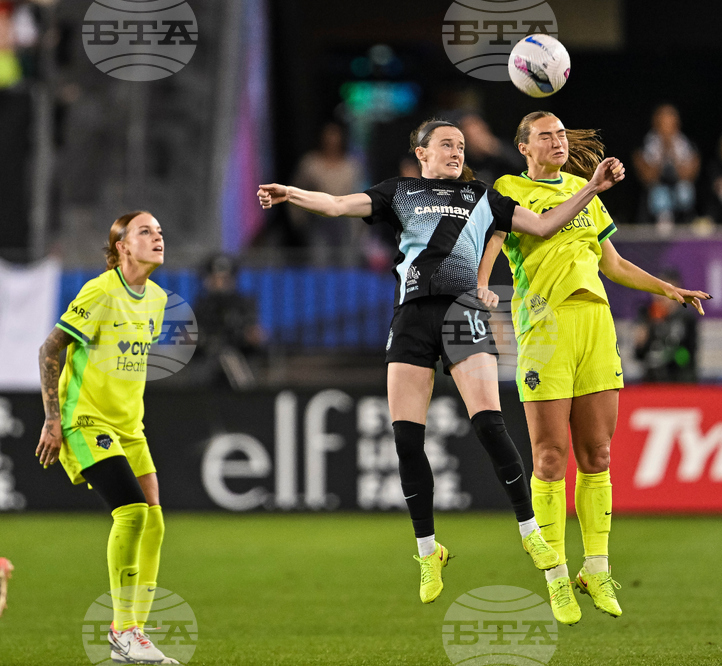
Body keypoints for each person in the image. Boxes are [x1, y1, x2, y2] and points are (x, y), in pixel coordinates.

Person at [257, 118, 626, 604]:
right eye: (446, 145)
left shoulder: (483, 196)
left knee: (491, 425)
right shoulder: (399, 191)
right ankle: (429, 551)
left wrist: (592, 189)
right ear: (422, 154)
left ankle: (531, 531)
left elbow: (543, 223)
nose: (456, 151)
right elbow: (338, 203)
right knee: (407, 441)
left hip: (461, 316)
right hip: (410, 319)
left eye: (460, 145)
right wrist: (293, 193)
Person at [483, 111, 709, 624]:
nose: (558, 141)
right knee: (548, 456)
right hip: (545, 328)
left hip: (596, 326)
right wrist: (592, 188)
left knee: (598, 453)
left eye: (562, 134)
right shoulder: (507, 187)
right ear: (524, 147)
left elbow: (613, 263)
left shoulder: (586, 192)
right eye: (546, 135)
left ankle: (596, 567)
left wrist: (666, 288)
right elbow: (543, 225)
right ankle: (556, 577)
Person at [35, 211, 177, 664]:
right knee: (132, 511)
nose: (157, 237)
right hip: (86, 420)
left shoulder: (156, 299)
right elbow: (50, 348)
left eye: (158, 231)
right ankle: (123, 631)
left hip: (129, 427)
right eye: (145, 231)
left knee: (154, 519)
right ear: (121, 247)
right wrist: (53, 420)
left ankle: (134, 633)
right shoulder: (100, 290)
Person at [289, 122, 364, 259]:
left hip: (345, 222)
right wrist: (299, 221)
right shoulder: (310, 164)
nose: (332, 140)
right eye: (328, 135)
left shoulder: (352, 166)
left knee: (347, 261)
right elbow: (295, 192)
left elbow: (361, 196)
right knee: (320, 262)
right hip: (318, 221)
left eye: (335, 135)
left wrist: (362, 226)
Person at [192, 254, 265, 388]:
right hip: (208, 364)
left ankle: (246, 398)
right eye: (216, 278)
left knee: (229, 358)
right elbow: (193, 340)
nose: (220, 283)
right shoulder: (202, 306)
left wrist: (252, 336)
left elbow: (254, 337)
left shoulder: (243, 305)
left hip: (239, 358)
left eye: (225, 278)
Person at [632, 104, 700, 226]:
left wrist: (672, 152)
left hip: (680, 190)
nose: (666, 128)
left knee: (685, 192)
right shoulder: (646, 144)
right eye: (662, 123)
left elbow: (689, 174)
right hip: (657, 192)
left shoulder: (686, 144)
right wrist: (663, 151)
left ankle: (686, 223)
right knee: (659, 195)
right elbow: (647, 176)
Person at [633, 271, 699, 383]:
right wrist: (641, 341)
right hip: (651, 381)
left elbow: (688, 354)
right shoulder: (647, 315)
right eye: (657, 291)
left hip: (679, 381)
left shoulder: (686, 318)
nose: (659, 297)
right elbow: (639, 355)